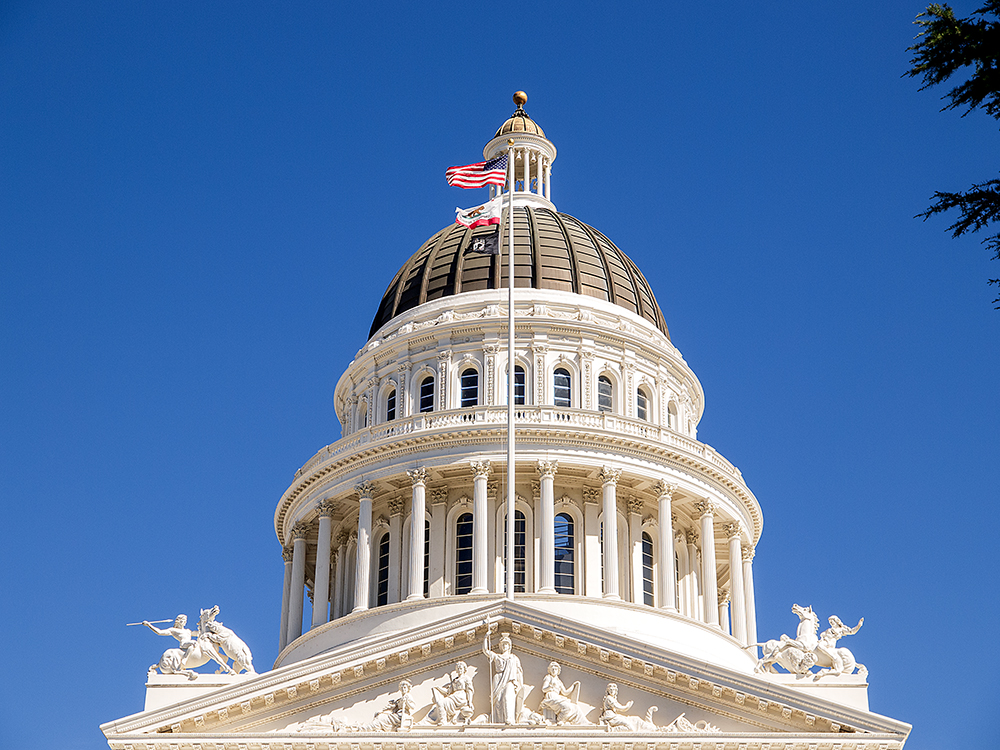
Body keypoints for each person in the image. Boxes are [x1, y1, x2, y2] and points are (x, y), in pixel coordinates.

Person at [483, 632, 523, 724]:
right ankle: (499, 721)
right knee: (498, 702)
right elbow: (486, 651)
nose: (504, 646)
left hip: (510, 680)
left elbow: (519, 672)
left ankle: (509, 719)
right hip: (498, 679)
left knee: (507, 697)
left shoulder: (514, 658)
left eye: (506, 644)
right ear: (500, 646)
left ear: (509, 646)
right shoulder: (497, 656)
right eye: (503, 644)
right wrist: (486, 638)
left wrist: (519, 685)